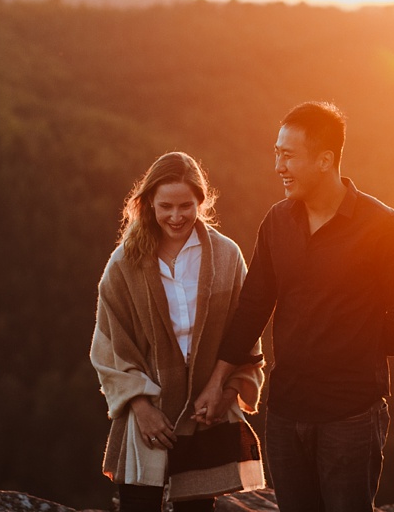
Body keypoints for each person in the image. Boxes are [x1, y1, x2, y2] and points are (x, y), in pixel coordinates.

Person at [194, 100, 394, 512]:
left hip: (351, 413)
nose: (278, 166)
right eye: (276, 154)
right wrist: (217, 383)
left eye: (288, 156)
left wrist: (361, 350)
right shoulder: (277, 222)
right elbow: (253, 307)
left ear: (324, 160)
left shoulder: (382, 227)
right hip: (286, 410)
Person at [92, 147, 267, 507]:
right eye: (165, 207)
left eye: (185, 206)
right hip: (146, 412)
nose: (175, 216)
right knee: (138, 505)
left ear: (201, 202)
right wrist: (140, 407)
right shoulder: (125, 262)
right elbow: (109, 342)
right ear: (149, 204)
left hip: (206, 412)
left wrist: (227, 392)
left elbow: (245, 333)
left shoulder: (226, 256)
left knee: (198, 508)